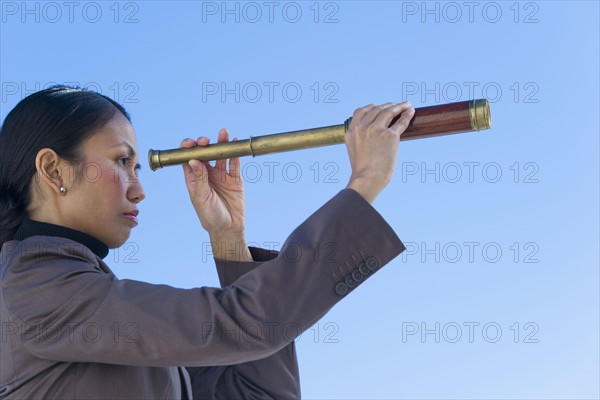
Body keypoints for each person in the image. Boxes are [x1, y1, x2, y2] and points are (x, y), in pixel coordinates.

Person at [0, 85, 415, 399]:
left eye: (138, 167)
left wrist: (228, 239)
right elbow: (247, 322)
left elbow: (256, 394)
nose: (139, 189)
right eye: (121, 162)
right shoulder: (33, 289)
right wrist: (365, 182)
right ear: (53, 169)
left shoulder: (83, 304)